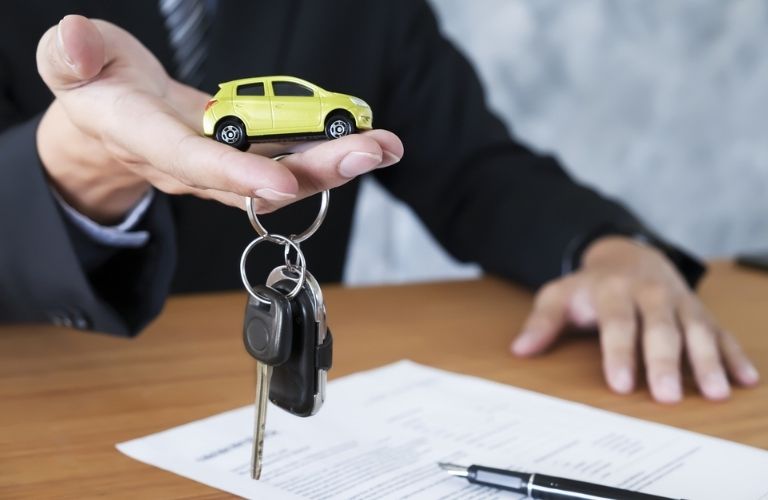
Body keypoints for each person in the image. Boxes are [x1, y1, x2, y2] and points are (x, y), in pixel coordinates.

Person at [0, 0, 758, 404]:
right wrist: (68, 169)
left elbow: (473, 168)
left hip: (274, 390)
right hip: (48, 395)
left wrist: (608, 246)